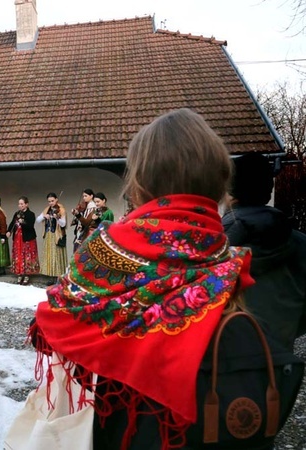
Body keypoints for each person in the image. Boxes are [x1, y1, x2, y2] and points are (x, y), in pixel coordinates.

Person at [27, 108, 255, 449]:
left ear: (140, 183)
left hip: (118, 426)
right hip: (209, 426)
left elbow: (54, 320)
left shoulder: (103, 248)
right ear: (219, 182)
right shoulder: (228, 258)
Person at [222, 152, 306, 351]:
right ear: (268, 192)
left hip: (224, 365)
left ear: (230, 193)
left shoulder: (214, 247)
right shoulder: (301, 244)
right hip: (280, 362)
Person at [35, 192, 67, 284]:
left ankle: (58, 278)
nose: (51, 203)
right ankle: (51, 277)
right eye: (49, 201)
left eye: (52, 201)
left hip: (57, 235)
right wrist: (44, 217)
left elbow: (63, 224)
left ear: (56, 199)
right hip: (48, 235)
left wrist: (57, 218)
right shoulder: (47, 209)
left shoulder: (61, 209)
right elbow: (37, 220)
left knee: (57, 255)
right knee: (49, 256)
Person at [7, 196, 39, 285]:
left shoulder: (30, 214)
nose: (20, 205)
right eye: (19, 204)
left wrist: (23, 222)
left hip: (27, 238)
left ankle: (27, 274)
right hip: (18, 238)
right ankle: (20, 273)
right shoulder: (17, 213)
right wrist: (9, 231)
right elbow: (12, 223)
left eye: (22, 204)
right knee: (19, 254)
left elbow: (30, 226)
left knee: (27, 254)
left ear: (26, 204)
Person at [71, 188, 96, 252]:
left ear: (91, 196)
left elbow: (87, 222)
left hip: (87, 232)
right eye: (83, 196)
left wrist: (78, 215)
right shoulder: (85, 206)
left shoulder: (92, 207)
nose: (84, 198)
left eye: (86, 196)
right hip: (81, 230)